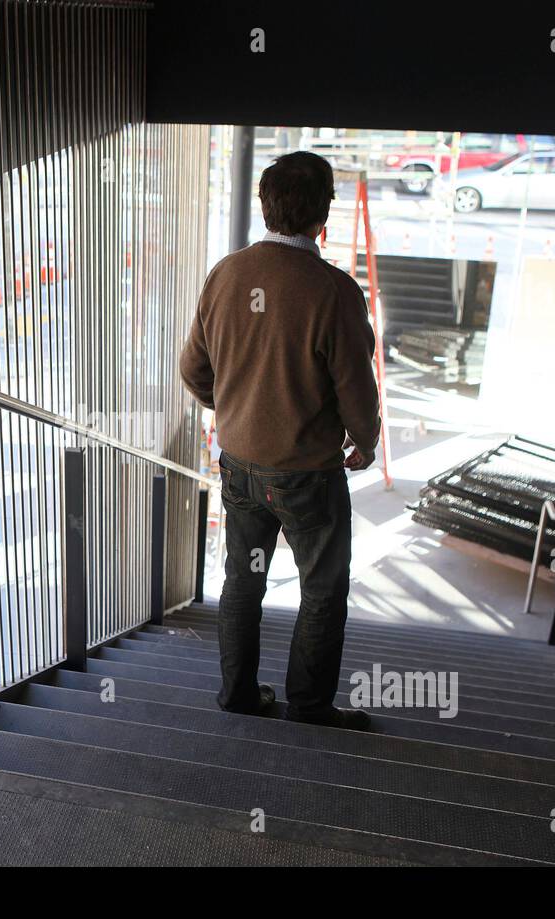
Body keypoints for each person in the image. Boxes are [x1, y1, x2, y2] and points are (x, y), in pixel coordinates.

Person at [179, 151, 381, 730]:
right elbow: (355, 389)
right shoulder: (334, 291)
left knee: (243, 580)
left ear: (265, 208)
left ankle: (238, 698)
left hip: (240, 466)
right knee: (321, 588)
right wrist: (364, 442)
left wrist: (238, 409)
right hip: (308, 475)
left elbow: (194, 369)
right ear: (324, 217)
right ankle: (310, 708)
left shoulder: (227, 273)